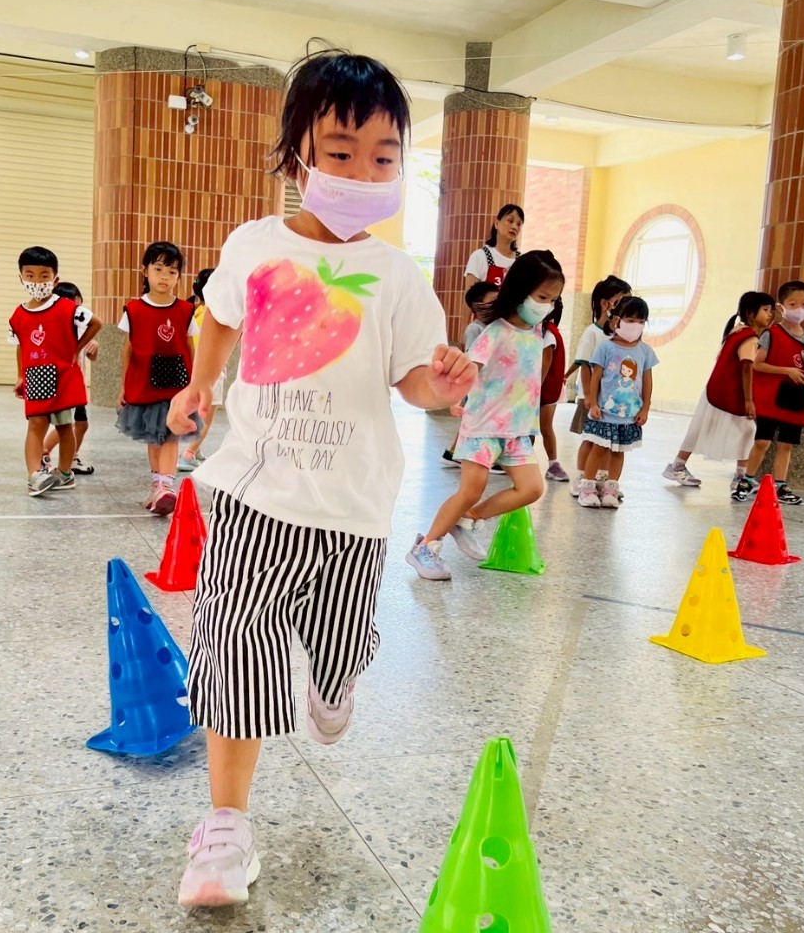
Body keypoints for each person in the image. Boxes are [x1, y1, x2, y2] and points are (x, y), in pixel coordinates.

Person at [164, 49, 476, 909]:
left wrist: (442, 386)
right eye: (341, 152)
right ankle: (226, 828)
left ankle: (333, 679)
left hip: (353, 507)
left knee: (335, 652)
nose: (362, 172)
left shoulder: (397, 274)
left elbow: (412, 378)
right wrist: (201, 386)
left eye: (383, 157)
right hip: (253, 493)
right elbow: (220, 317)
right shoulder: (253, 245)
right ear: (297, 151)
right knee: (232, 646)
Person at [407, 251, 562, 580]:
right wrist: (454, 398)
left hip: (517, 431)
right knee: (470, 490)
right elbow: (469, 368)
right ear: (520, 291)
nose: (547, 306)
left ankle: (469, 519)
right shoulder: (496, 332)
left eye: (553, 299)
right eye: (542, 297)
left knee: (532, 489)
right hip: (483, 425)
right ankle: (425, 547)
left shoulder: (537, 334)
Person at [8, 247, 101, 497]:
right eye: (30, 275)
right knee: (36, 424)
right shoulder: (18, 315)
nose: (37, 281)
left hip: (63, 377)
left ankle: (65, 473)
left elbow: (96, 323)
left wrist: (76, 349)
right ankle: (34, 476)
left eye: (44, 276)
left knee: (65, 426)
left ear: (55, 279)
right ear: (21, 278)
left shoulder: (68, 308)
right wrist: (21, 375)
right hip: (36, 376)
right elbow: (21, 345)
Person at [117, 241, 199, 515]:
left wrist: (196, 383)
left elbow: (190, 347)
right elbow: (127, 349)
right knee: (154, 437)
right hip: (144, 384)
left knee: (171, 434)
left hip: (177, 384)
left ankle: (167, 485)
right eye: (159, 269)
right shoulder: (133, 309)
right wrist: (123, 386)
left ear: (179, 277)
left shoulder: (185, 311)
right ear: (145, 271)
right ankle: (157, 485)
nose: (165, 277)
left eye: (172, 272)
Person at [662, 291, 775, 489]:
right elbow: (746, 367)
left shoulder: (737, 331)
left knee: (706, 427)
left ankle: (679, 465)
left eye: (771, 310)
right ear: (750, 313)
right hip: (727, 392)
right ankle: (739, 477)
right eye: (766, 310)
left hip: (716, 390)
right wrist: (749, 400)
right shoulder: (749, 337)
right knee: (748, 430)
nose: (770, 314)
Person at [735, 280, 804, 505]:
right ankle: (747, 480)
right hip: (771, 399)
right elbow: (756, 364)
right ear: (781, 307)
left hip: (797, 400)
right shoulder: (771, 334)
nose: (799, 309)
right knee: (762, 441)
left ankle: (781, 485)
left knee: (786, 444)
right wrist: (787, 370)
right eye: (793, 304)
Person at [579, 296, 658, 509]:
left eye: (641, 321)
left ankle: (611, 489)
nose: (636, 325)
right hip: (605, 412)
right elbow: (596, 377)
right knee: (599, 449)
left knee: (618, 452)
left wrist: (645, 408)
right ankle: (587, 487)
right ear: (616, 320)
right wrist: (593, 403)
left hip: (629, 415)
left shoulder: (645, 351)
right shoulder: (605, 348)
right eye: (630, 320)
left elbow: (647, 381)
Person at [567, 276, 632, 496]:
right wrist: (589, 396)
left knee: (608, 442)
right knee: (591, 439)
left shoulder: (620, 336)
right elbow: (585, 365)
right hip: (593, 398)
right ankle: (581, 477)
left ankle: (601, 478)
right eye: (621, 301)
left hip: (612, 401)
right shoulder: (593, 333)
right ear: (606, 304)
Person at [39, 282, 99, 476]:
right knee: (65, 424)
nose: (77, 310)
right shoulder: (55, 326)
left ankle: (72, 457)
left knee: (81, 424)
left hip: (77, 384)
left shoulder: (82, 328)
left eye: (78, 305)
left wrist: (93, 346)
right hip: (62, 383)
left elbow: (91, 357)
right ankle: (43, 452)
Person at [440, 281, 499, 470]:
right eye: (493, 300)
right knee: (474, 421)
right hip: (478, 385)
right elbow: (473, 360)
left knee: (473, 421)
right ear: (478, 307)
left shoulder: (496, 327)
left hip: (491, 385)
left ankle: (453, 453)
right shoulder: (475, 329)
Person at [179, 268, 227, 472]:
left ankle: (195, 451)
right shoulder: (217, 314)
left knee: (198, 414)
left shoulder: (197, 311)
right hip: (213, 372)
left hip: (196, 371)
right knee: (207, 417)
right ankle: (188, 454)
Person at [539, 294, 569, 482]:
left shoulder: (549, 334)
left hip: (547, 389)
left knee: (544, 427)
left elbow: (545, 365)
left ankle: (553, 464)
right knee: (539, 428)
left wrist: (534, 390)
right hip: (548, 388)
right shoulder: (548, 331)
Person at [462, 204, 523, 288]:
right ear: (497, 224)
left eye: (519, 224)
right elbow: (469, 294)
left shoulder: (523, 261)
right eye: (510, 221)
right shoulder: (479, 256)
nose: (514, 227)